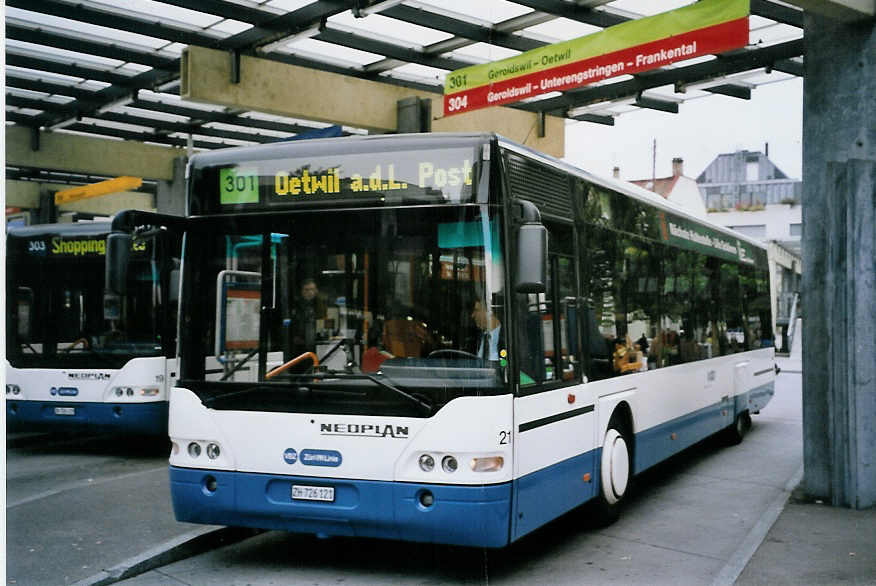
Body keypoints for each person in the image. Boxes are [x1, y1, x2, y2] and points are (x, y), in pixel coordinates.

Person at [291, 277, 325, 355]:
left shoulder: (321, 305)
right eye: (306, 290)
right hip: (299, 347)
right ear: (301, 291)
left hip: (318, 345)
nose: (310, 292)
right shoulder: (295, 306)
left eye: (312, 289)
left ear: (316, 291)